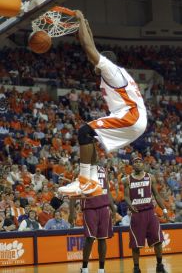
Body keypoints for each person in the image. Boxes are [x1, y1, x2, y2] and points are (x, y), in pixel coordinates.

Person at [59, 10, 147, 197]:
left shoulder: (109, 69)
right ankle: (91, 182)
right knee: (89, 135)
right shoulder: (114, 71)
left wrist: (81, 19)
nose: (92, 64)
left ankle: (84, 182)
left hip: (131, 115)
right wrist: (87, 27)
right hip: (131, 116)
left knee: (84, 131)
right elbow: (92, 49)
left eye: (95, 62)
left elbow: (88, 47)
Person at [122, 156, 168, 273]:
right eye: (135, 162)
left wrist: (164, 210)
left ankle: (159, 266)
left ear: (143, 164)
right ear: (132, 165)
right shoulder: (127, 180)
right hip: (137, 214)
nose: (137, 163)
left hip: (150, 212)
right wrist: (129, 205)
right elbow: (126, 196)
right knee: (136, 244)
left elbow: (157, 195)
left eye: (139, 161)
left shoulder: (150, 177)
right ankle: (136, 268)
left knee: (158, 240)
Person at [69, 166, 116, 273]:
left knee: (102, 239)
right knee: (90, 238)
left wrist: (113, 209)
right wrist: (72, 213)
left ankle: (101, 269)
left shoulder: (103, 170)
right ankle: (85, 268)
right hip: (89, 208)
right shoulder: (79, 170)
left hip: (104, 207)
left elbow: (107, 190)